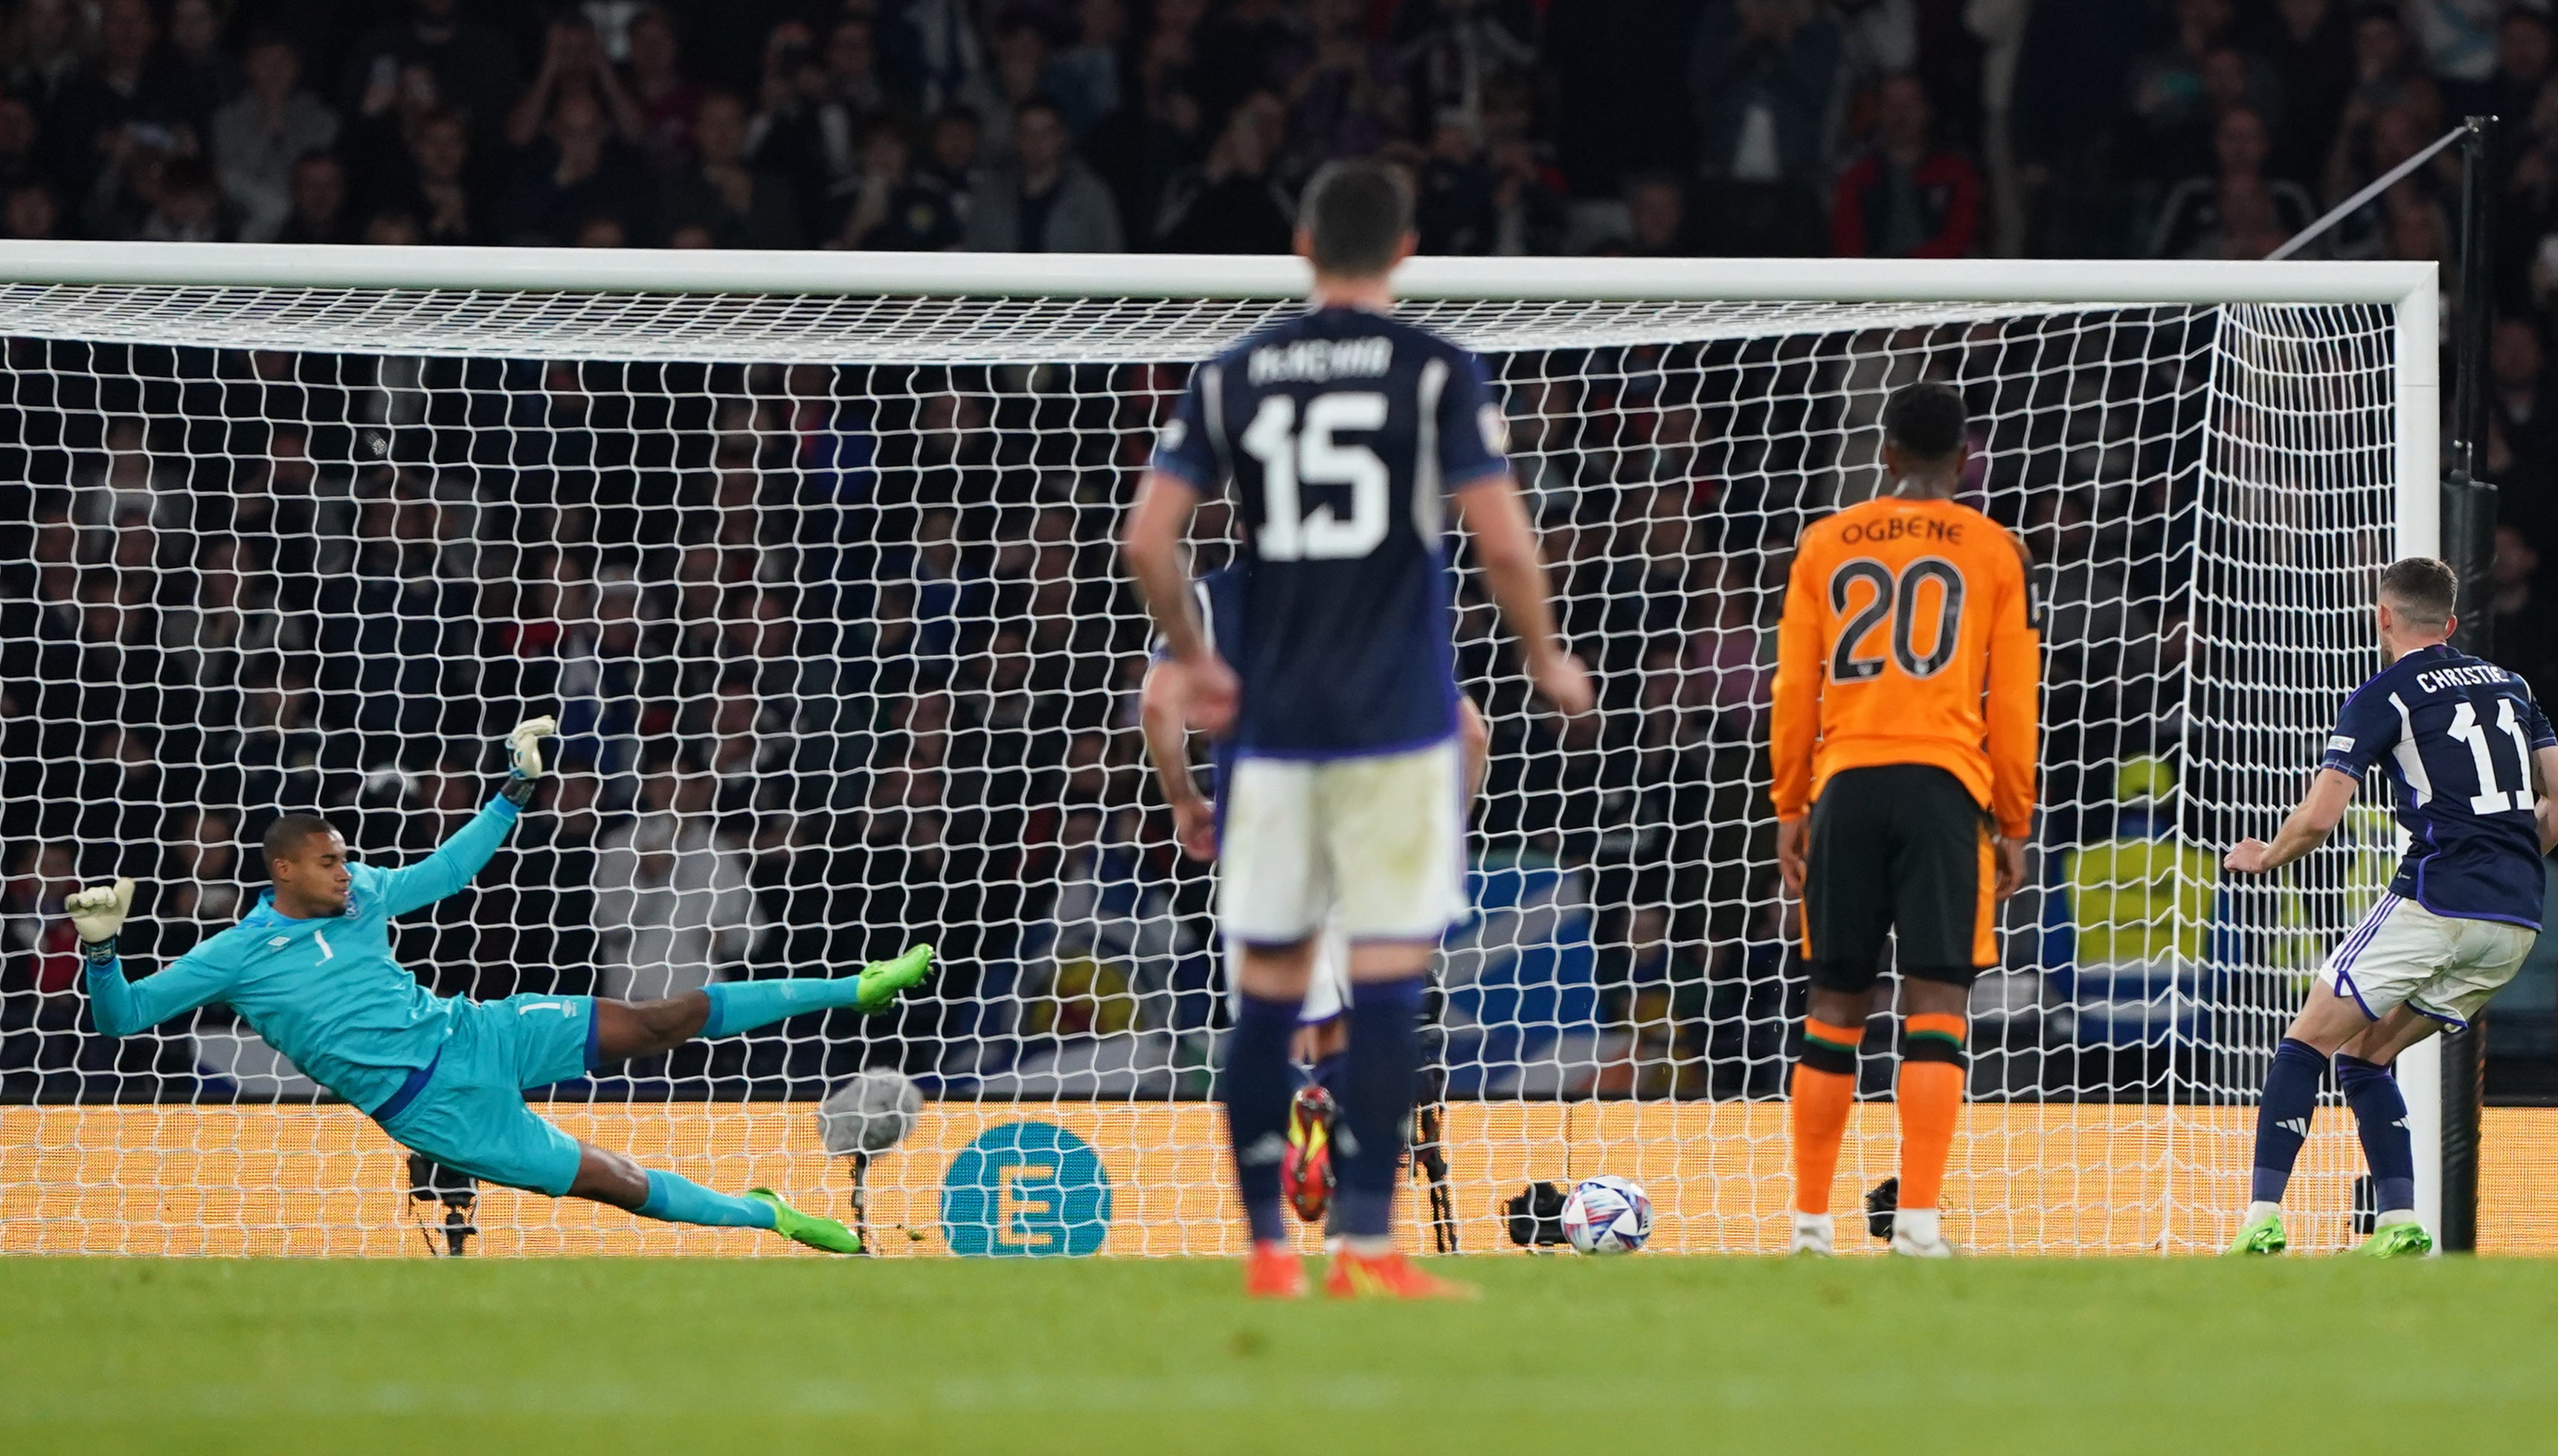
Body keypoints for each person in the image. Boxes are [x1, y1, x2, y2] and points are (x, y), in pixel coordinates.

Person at [1121, 160, 1592, 1299]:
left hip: (1271, 738)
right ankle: (1368, 1247)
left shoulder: (1232, 374)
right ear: (1407, 251)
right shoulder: (1436, 370)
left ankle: (1268, 1250)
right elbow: (1505, 543)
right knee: (1384, 988)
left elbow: (1147, 543)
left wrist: (1196, 661)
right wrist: (1544, 655)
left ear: (1300, 245)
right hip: (1390, 728)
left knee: (1270, 996)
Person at [67, 718, 935, 1254]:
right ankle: (766, 1216)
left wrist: (514, 792)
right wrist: (101, 953)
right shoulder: (238, 951)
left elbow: (445, 872)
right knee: (618, 1184)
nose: (346, 870)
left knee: (658, 1020)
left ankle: (853, 988)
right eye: (328, 861)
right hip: (436, 1112)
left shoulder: (362, 892)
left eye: (344, 858)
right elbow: (126, 1019)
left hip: (476, 1031)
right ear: (283, 868)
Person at [2221, 558, 2558, 1256]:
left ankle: (2262, 1217)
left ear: (2383, 616)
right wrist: (2504, 865)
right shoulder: (2512, 686)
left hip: (2437, 899)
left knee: (2305, 1044)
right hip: (2515, 922)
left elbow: (2320, 819)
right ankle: (2398, 1222)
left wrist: (2264, 856)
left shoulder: (2384, 694)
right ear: (2450, 624)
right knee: (2366, 1057)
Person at [1767, 381, 2037, 1260]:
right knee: (1937, 1000)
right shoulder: (1995, 549)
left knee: (1835, 1000)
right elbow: (2014, 697)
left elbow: (1793, 687)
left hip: (1845, 781)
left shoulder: (1826, 541)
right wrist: (2013, 819)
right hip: (1943, 788)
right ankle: (1916, 1222)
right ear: (1963, 459)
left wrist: (1790, 803)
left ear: (1883, 455)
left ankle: (1811, 1225)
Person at [1138, 559, 1491, 1228]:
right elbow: (1471, 735)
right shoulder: (1382, 591)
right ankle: (1353, 1187)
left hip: (1266, 830)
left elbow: (1158, 703)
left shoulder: (1215, 598)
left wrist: (1183, 798)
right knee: (1361, 1011)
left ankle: (1280, 1183)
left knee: (1280, 1013)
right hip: (1369, 832)